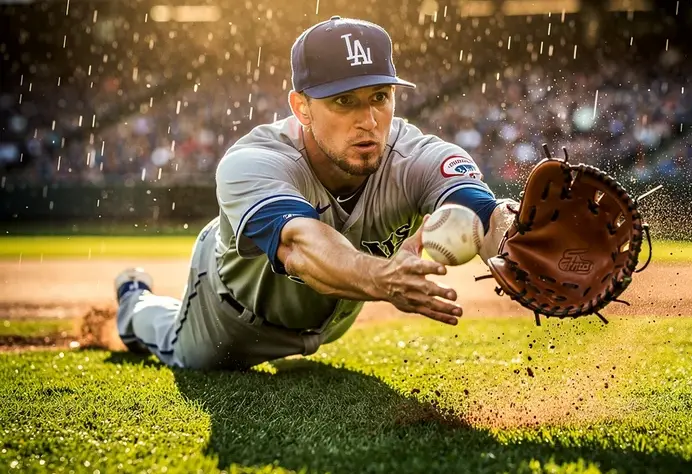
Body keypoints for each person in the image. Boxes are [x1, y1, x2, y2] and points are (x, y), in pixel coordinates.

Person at [113, 16, 517, 370]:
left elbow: (483, 212)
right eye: (344, 101)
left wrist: (515, 240)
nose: (369, 120)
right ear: (302, 108)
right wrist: (383, 277)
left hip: (330, 321)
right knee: (174, 342)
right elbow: (302, 249)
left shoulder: (416, 155)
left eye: (380, 96)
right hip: (230, 316)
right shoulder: (254, 161)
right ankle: (134, 301)